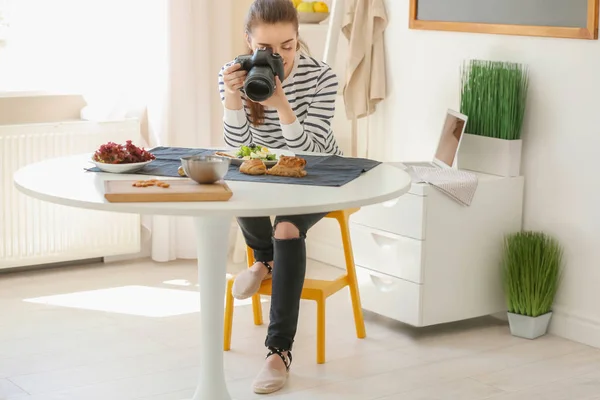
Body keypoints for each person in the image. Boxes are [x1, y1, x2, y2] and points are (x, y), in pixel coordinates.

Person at [218, 0, 342, 394]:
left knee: (287, 227)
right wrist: (233, 99)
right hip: (264, 176)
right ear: (248, 43)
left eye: (288, 46)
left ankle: (278, 352)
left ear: (297, 38)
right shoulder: (236, 75)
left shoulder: (322, 77)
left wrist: (283, 106)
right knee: (237, 186)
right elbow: (237, 149)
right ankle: (264, 260)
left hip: (317, 175)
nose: (280, 57)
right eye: (268, 50)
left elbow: (313, 154)